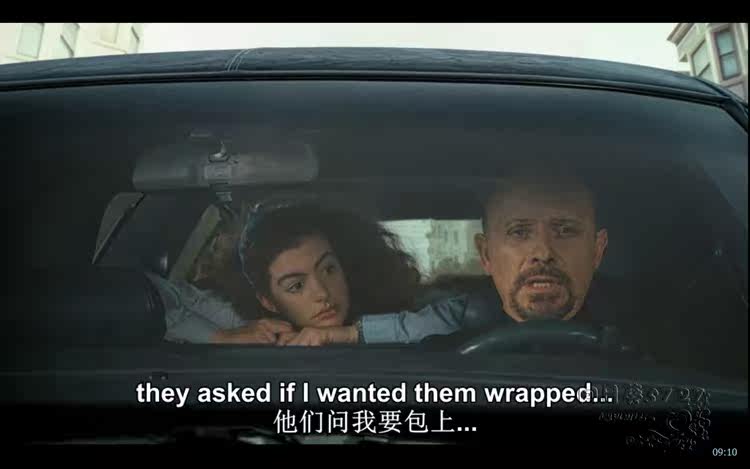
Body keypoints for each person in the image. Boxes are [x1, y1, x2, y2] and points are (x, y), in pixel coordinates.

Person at [281, 166, 618, 345]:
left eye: (565, 231)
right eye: (519, 232)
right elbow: (408, 328)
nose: (543, 252)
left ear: (598, 249)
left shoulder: (640, 323)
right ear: (485, 254)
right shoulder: (458, 319)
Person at [153, 200, 422, 345]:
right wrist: (221, 338)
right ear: (267, 300)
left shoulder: (398, 323)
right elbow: (147, 293)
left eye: (328, 269)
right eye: (296, 286)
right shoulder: (252, 327)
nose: (322, 293)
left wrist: (352, 335)